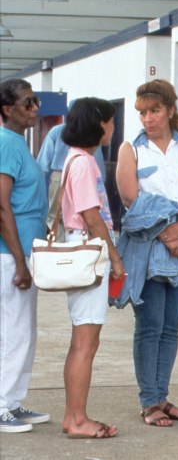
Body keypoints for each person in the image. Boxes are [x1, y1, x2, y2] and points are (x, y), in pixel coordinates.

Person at [115, 79, 178, 427]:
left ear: (169, 109)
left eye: (154, 111)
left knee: (171, 326)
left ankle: (162, 396)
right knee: (149, 325)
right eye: (142, 112)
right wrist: (167, 235)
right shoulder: (131, 149)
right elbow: (130, 201)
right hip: (147, 242)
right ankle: (149, 402)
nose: (147, 119)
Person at [59, 98, 125, 439]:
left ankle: (74, 416)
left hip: (82, 248)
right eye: (110, 121)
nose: (113, 128)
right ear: (98, 123)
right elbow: (91, 215)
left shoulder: (77, 159)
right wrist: (114, 257)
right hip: (89, 252)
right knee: (86, 342)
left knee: (82, 341)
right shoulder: (84, 163)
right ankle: (78, 420)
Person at [0, 79, 50, 433]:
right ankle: (2, 405)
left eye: (35, 101)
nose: (35, 108)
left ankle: (13, 402)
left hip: (26, 252)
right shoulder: (6, 144)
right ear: (7, 109)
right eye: (28, 102)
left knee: (24, 332)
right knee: (13, 332)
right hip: (9, 255)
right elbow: (2, 207)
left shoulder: (20, 143)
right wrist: (19, 261)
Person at [37, 121, 107, 242]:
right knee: (81, 218)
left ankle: (56, 249)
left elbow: (43, 161)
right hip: (85, 175)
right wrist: (100, 182)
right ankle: (76, 247)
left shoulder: (57, 130)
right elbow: (98, 161)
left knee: (55, 217)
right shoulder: (91, 131)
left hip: (59, 176)